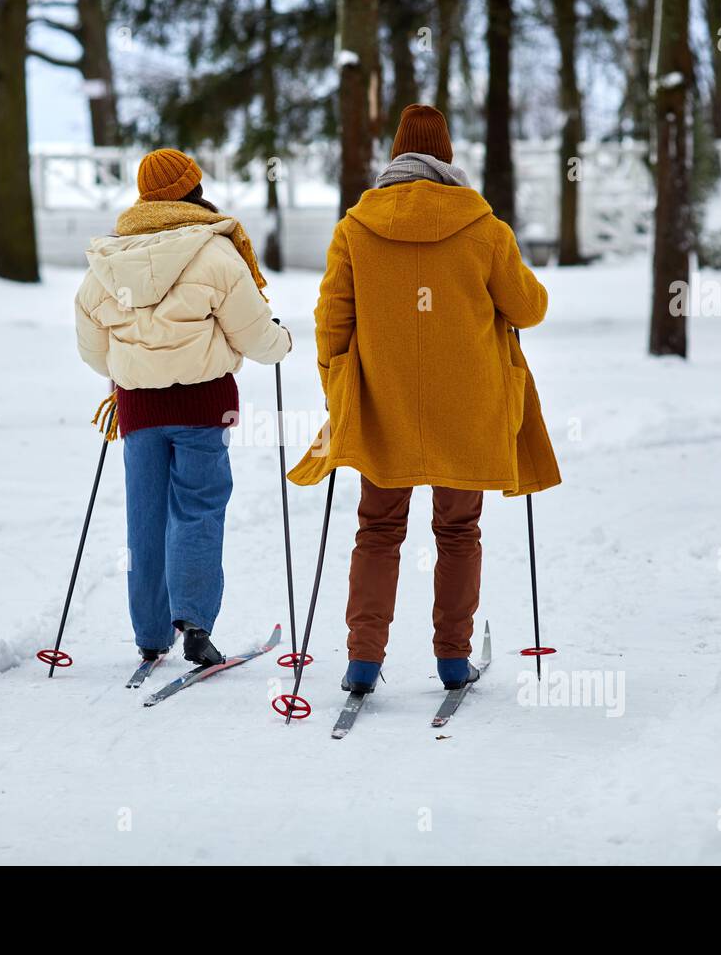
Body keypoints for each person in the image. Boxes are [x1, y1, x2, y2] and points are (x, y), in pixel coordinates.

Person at [288, 105, 561, 695]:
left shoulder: (355, 228)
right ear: (448, 159)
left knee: (377, 530)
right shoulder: (485, 227)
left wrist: (339, 388)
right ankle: (452, 660)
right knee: (459, 531)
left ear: (395, 159)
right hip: (468, 405)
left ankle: (363, 658)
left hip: (383, 406)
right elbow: (529, 309)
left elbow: (331, 321)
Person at [75, 148, 292, 666]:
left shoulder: (106, 262)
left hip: (138, 413)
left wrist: (130, 369)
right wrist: (281, 341)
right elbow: (256, 336)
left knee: (144, 517)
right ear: (193, 190)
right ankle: (193, 623)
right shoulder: (216, 255)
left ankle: (150, 635)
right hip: (203, 408)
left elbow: (92, 348)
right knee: (197, 510)